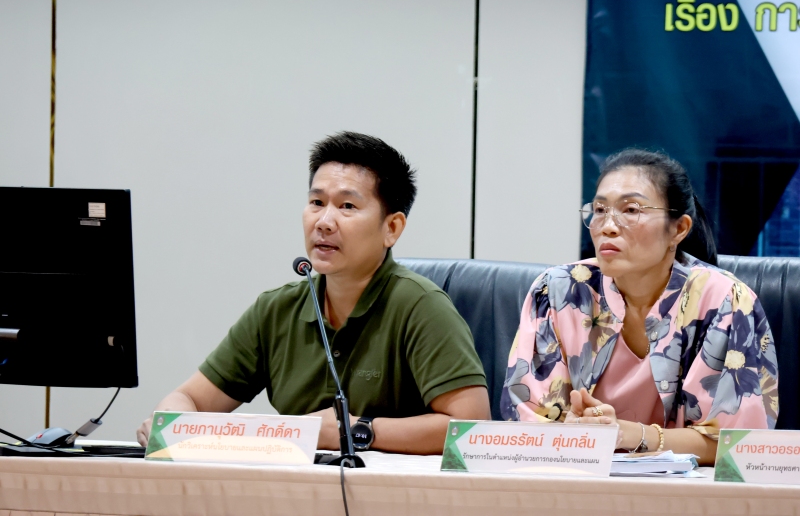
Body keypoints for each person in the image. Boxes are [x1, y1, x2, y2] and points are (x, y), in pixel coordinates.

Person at [137, 131, 490, 454]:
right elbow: (189, 399)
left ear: (392, 228)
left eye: (347, 206)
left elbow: (471, 430)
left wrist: (355, 430)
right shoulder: (276, 309)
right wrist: (170, 422)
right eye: (317, 202)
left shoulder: (421, 307)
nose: (323, 222)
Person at [500, 148, 778, 464]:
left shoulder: (724, 300)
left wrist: (632, 435)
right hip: (578, 478)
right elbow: (527, 420)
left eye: (631, 210)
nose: (607, 226)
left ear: (679, 229)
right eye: (599, 210)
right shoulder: (558, 291)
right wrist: (572, 432)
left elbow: (739, 443)